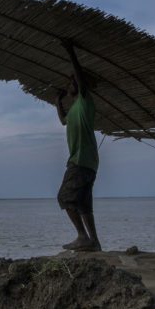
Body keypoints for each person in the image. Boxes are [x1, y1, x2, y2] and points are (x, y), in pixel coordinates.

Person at [55, 40, 101, 252]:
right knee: (83, 204)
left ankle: (82, 237)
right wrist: (58, 101)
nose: (69, 84)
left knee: (64, 197)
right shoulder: (74, 109)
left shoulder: (84, 100)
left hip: (80, 159)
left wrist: (70, 51)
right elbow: (63, 121)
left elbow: (80, 81)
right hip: (88, 161)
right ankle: (95, 242)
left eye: (71, 81)